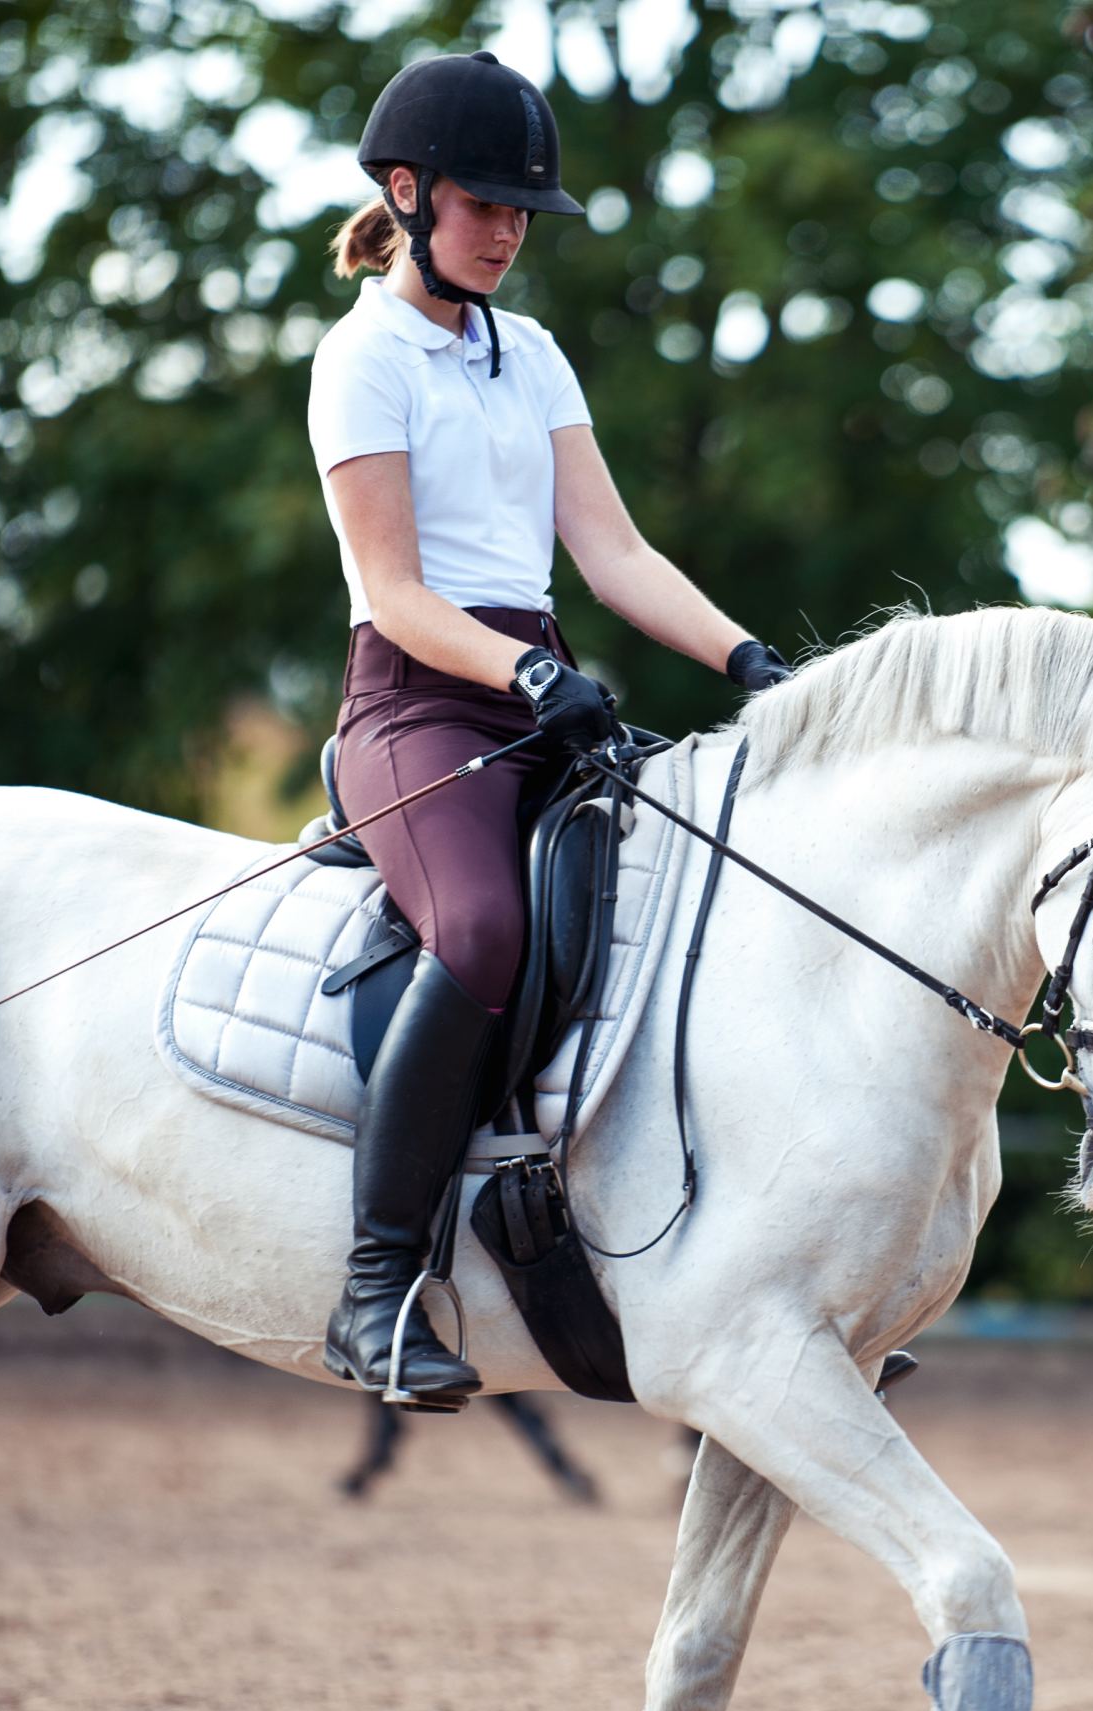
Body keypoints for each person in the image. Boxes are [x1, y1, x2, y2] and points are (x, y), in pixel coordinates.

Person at [306, 50, 792, 1409]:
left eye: (526, 211)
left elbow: (617, 555)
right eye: (485, 205)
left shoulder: (534, 358)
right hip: (416, 705)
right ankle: (376, 1286)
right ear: (408, 194)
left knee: (700, 906)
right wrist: (522, 681)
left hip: (541, 696)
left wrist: (749, 657)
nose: (510, 229)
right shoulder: (362, 357)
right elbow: (396, 593)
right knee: (484, 932)